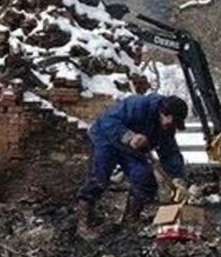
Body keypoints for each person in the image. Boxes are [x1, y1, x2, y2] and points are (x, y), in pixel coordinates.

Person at [76, 94, 189, 237]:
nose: (170, 125)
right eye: (171, 121)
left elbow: (170, 152)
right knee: (99, 178)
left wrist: (177, 177)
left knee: (145, 180)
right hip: (106, 139)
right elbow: (108, 121)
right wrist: (129, 136)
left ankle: (129, 222)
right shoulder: (139, 105)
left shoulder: (167, 127)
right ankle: (84, 226)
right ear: (165, 113)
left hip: (130, 149)